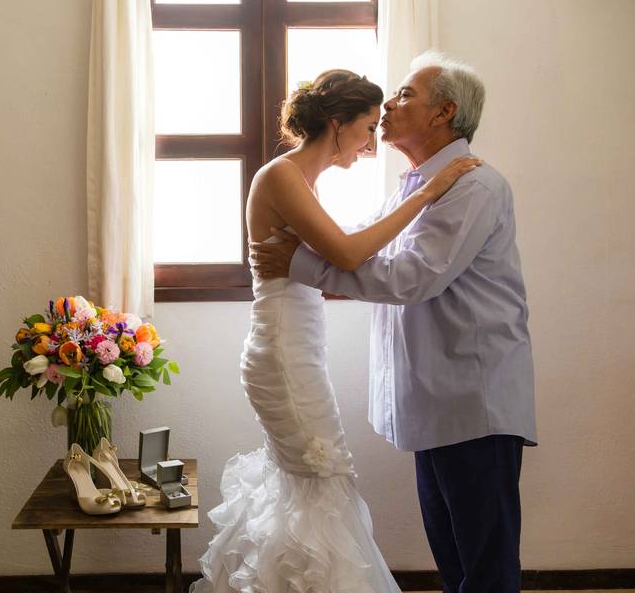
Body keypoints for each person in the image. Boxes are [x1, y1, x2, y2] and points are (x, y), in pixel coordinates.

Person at [250, 52, 537, 593]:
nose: (386, 109)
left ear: (444, 112)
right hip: (438, 403)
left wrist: (299, 264)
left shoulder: (472, 186)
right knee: (454, 557)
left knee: (485, 563)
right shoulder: (417, 184)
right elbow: (360, 239)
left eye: (405, 95)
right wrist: (313, 257)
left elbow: (410, 277)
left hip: (473, 402)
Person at [189, 69, 478, 593]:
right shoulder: (280, 175)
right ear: (337, 123)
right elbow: (347, 254)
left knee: (312, 485)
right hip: (282, 350)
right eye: (368, 128)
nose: (371, 144)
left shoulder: (303, 180)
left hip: (297, 346)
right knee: (320, 483)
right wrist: (430, 191)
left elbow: (350, 247)